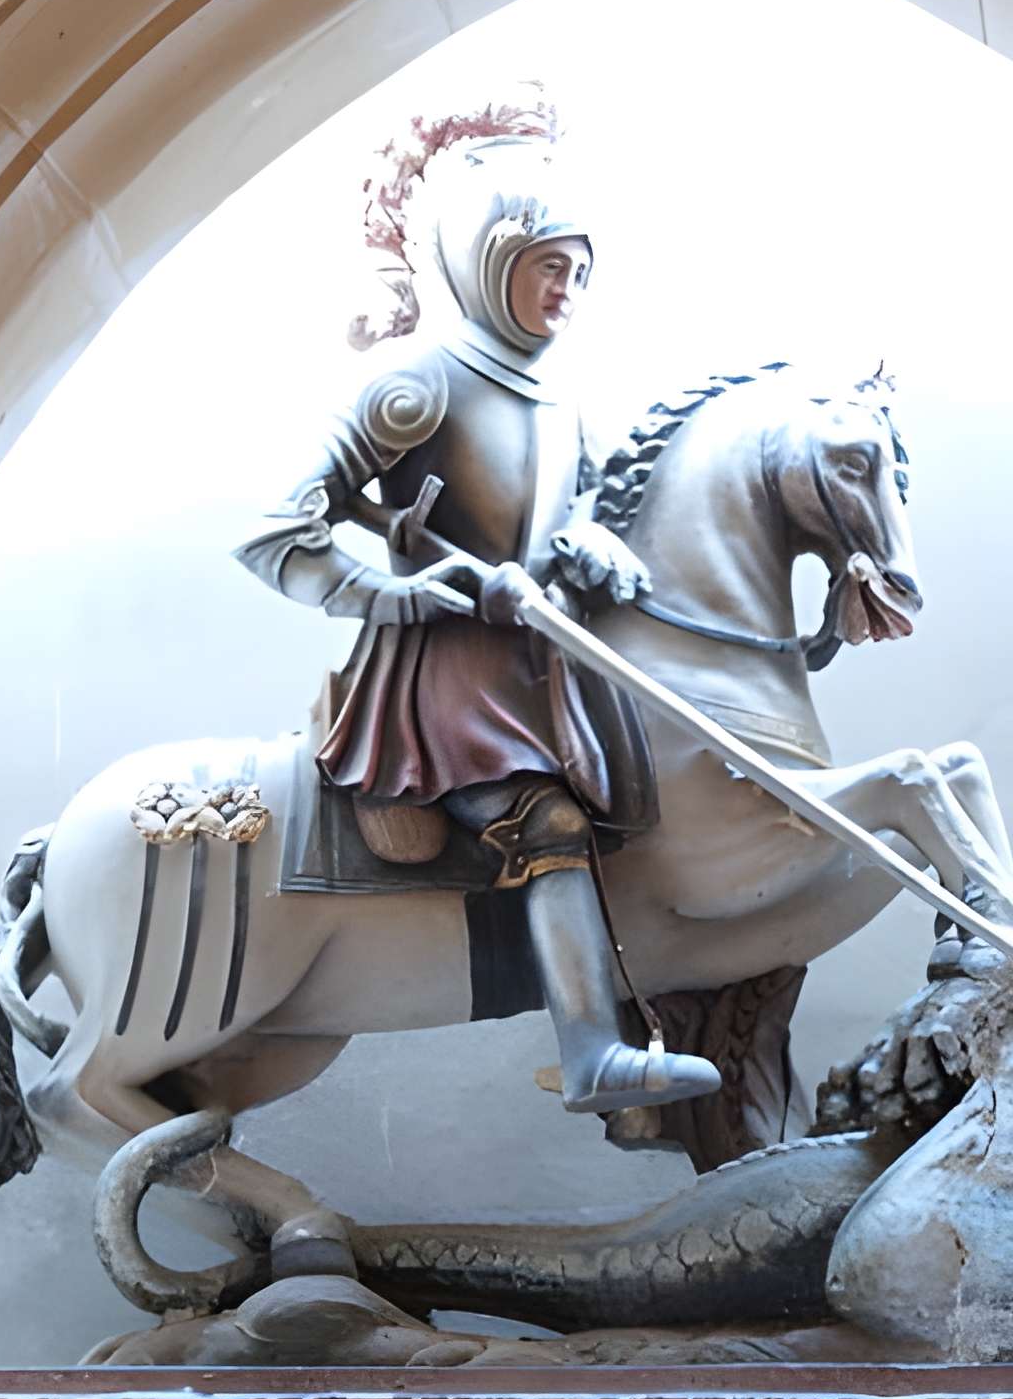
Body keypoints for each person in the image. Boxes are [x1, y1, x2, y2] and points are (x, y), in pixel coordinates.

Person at [234, 116, 724, 1117]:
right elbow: (276, 533)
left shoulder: (567, 407)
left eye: (578, 275)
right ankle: (591, 1054)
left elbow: (564, 513)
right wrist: (395, 591)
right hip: (441, 683)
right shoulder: (414, 390)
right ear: (490, 261)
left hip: (546, 673)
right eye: (548, 267)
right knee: (543, 819)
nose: (565, 293)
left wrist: (592, 545)